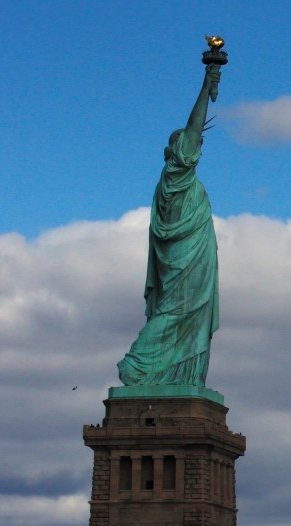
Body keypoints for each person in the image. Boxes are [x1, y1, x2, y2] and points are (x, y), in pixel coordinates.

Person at [117, 60, 223, 388]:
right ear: (178, 151)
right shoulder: (177, 174)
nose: (198, 148)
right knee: (176, 311)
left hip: (192, 257)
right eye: (194, 144)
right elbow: (193, 127)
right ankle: (137, 364)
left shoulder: (173, 182)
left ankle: (177, 376)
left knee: (188, 315)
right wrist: (208, 83)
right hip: (185, 260)